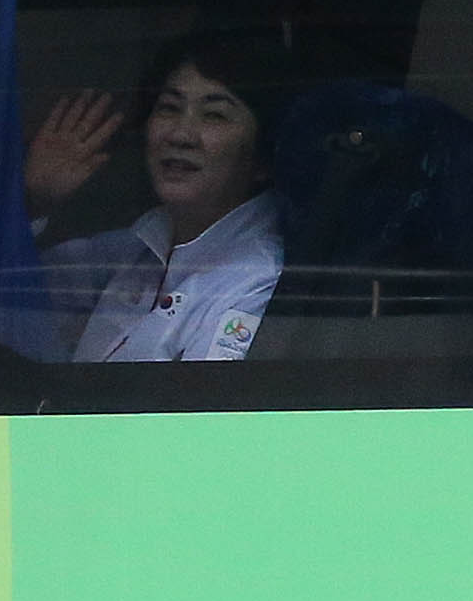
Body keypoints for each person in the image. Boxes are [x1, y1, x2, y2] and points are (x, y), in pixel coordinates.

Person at [22, 31, 290, 362]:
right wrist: (34, 201)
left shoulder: (257, 279)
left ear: (263, 156)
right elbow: (7, 304)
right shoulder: (136, 249)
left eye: (214, 115)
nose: (180, 135)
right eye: (169, 108)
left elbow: (202, 411)